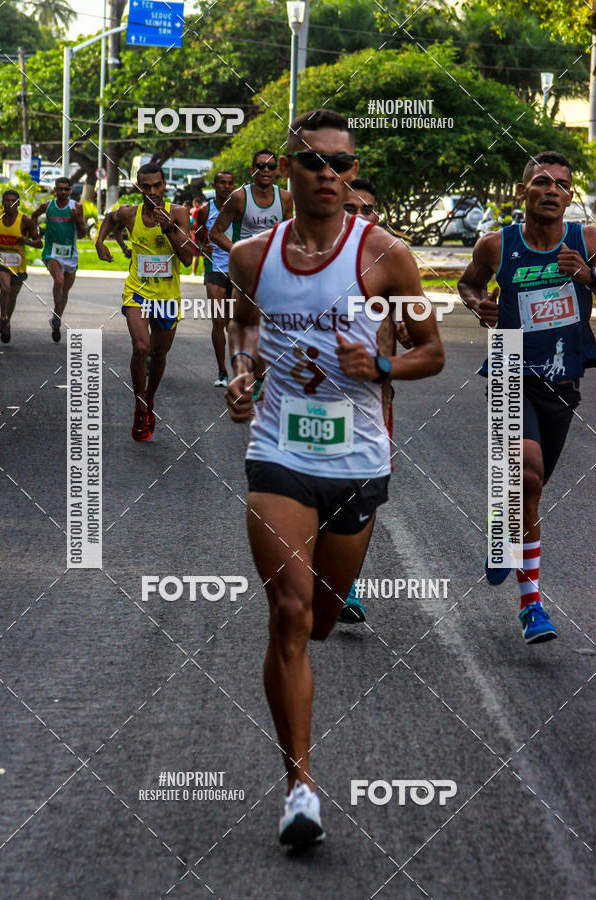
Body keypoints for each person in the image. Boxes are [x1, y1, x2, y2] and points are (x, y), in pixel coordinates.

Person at [225, 108, 444, 847]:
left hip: (357, 460)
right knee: (288, 612)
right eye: (313, 161)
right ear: (287, 168)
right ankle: (300, 789)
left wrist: (381, 364)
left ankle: (301, 770)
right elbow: (245, 326)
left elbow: (431, 350)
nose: (329, 174)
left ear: (353, 174)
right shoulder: (251, 257)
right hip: (279, 452)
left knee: (319, 619)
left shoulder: (385, 256)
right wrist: (243, 371)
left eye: (341, 164)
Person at [458, 150, 596, 644]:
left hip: (563, 380)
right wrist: (480, 304)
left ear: (570, 195)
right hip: (509, 368)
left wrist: (588, 277)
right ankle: (531, 605)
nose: (551, 190)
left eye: (561, 183)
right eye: (541, 181)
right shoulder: (497, 244)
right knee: (528, 472)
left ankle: (503, 524)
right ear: (523, 192)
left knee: (529, 492)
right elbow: (468, 284)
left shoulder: (588, 241)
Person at [339, 178, 412, 624]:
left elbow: (418, 335)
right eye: (350, 208)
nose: (359, 216)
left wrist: (405, 330)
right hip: (316, 397)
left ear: (377, 215)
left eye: (366, 209)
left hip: (373, 400)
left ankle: (347, 582)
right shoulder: (308, 258)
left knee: (363, 493)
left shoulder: (391, 260)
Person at [95, 163, 192, 441]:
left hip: (167, 296)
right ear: (139, 187)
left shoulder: (179, 213)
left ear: (164, 185)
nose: (152, 191)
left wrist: (168, 228)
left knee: (159, 355)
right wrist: (100, 242)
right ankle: (139, 406)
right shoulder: (130, 214)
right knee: (141, 347)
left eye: (157, 185)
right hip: (137, 292)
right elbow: (110, 218)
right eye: (146, 186)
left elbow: (187, 259)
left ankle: (149, 399)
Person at [211, 150, 293, 399]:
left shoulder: (285, 198)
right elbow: (216, 232)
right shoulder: (239, 197)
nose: (266, 170)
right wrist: (239, 252)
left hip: (274, 272)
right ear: (252, 170)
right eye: (260, 166)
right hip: (245, 273)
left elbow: (290, 234)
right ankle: (246, 375)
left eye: (270, 167)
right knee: (246, 325)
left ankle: (258, 379)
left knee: (269, 328)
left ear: (277, 171)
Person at [31, 176, 86, 342]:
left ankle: (56, 318)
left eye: (66, 189)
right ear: (55, 190)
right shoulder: (48, 206)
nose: (63, 192)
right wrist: (35, 234)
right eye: (60, 189)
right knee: (59, 281)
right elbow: (33, 216)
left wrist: (77, 220)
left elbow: (82, 234)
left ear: (70, 191)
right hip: (52, 251)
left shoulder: (76, 207)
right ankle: (57, 312)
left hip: (70, 254)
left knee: (65, 291)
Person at [193, 171, 235, 386]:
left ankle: (240, 369)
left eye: (230, 183)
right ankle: (222, 372)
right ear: (214, 185)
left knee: (233, 324)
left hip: (238, 270)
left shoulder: (240, 208)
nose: (226, 187)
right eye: (222, 183)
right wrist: (203, 248)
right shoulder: (205, 211)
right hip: (215, 268)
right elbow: (197, 239)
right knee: (218, 321)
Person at [0, 189, 42, 343]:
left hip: (18, 263)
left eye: (13, 201)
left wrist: (27, 241)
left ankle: (7, 320)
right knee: (5, 289)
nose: (10, 203)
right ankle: (3, 317)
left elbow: (39, 243)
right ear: (2, 203)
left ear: (18, 203)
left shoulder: (25, 221)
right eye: (7, 200)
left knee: (13, 295)